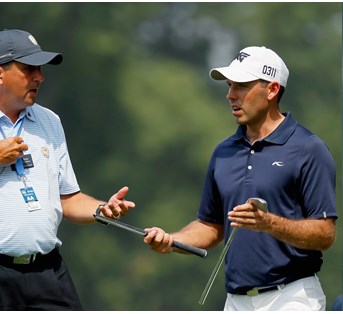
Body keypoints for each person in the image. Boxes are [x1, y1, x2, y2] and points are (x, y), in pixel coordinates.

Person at [0, 29, 135, 310]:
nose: (40, 77)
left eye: (40, 69)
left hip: (47, 270)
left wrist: (101, 209)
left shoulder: (49, 121)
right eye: (29, 69)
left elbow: (68, 199)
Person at [143, 46, 337, 311]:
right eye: (230, 86)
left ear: (272, 90)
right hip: (235, 301)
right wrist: (172, 241)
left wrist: (269, 223)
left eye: (241, 86)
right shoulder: (224, 151)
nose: (230, 95)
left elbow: (325, 234)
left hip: (292, 297)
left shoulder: (308, 148)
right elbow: (211, 225)